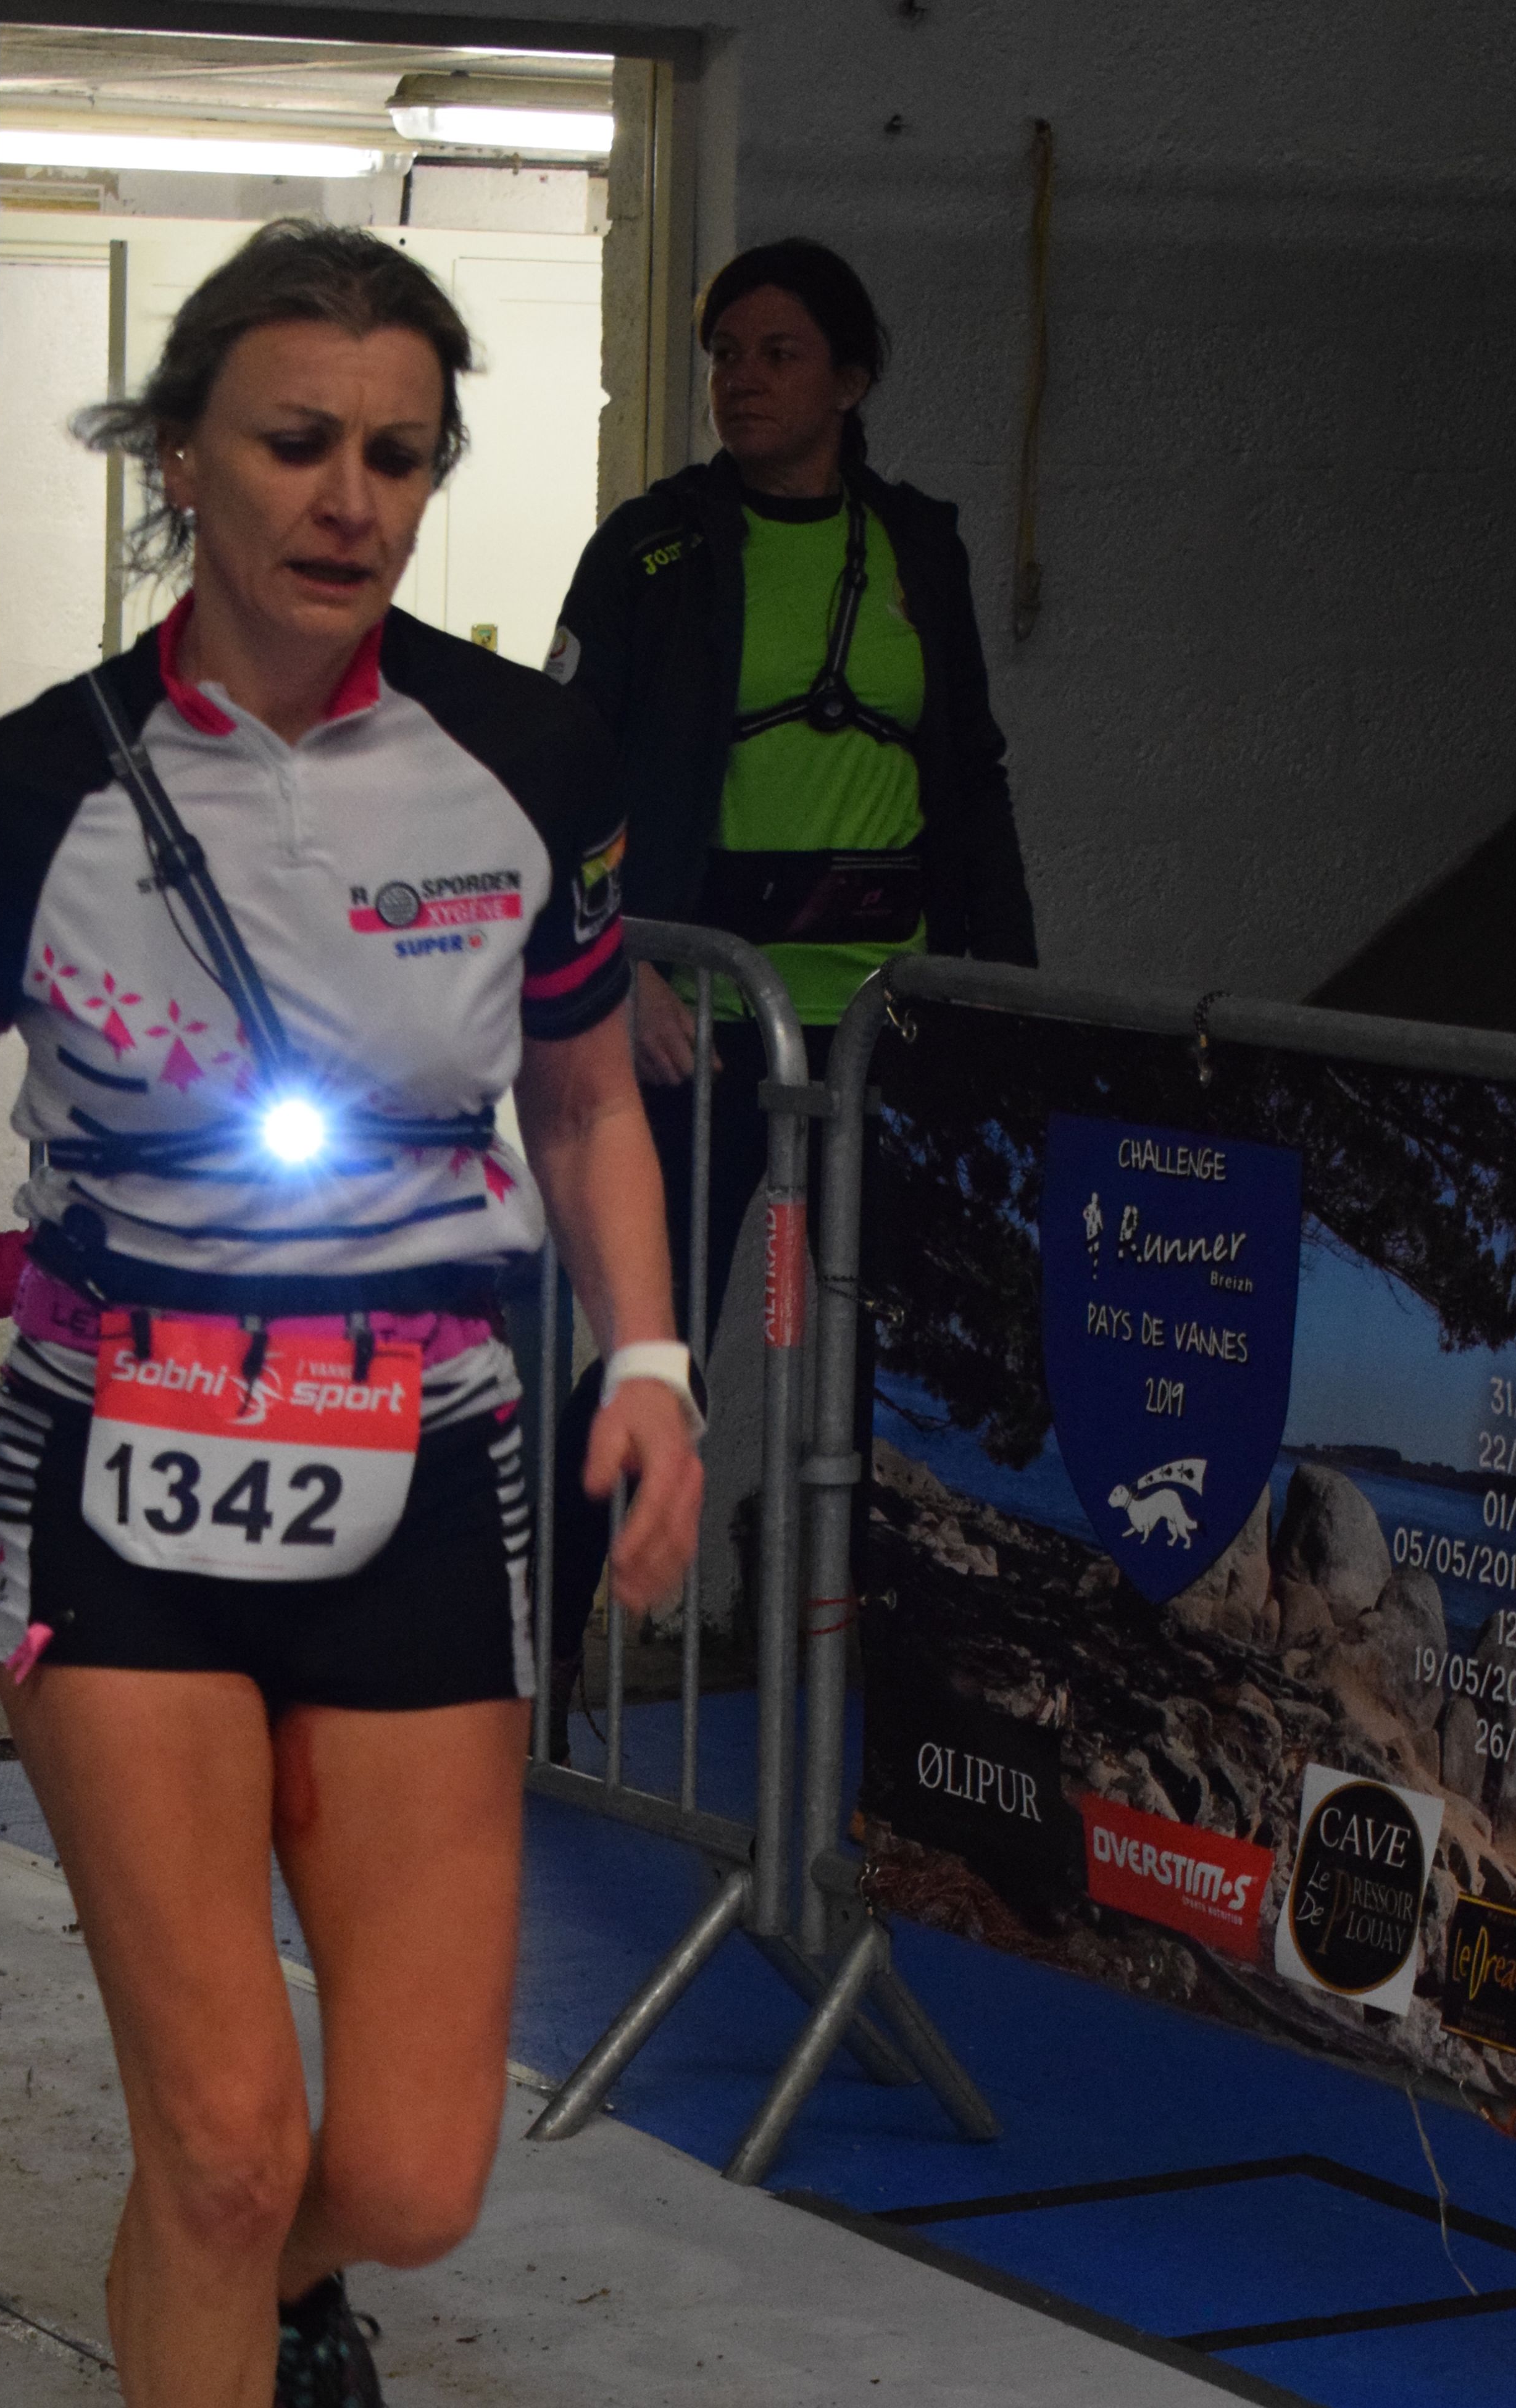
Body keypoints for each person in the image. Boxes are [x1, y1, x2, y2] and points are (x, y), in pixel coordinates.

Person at [0, 222, 701, 2408]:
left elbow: (586, 1099)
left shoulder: (527, 762)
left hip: (429, 1473)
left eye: (398, 454)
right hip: (124, 1474)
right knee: (218, 2128)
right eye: (297, 443)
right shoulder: (29, 791)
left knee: (399, 2171)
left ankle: (304, 2291)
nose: (350, 498)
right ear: (180, 456)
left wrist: (651, 1366)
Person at [542, 235, 1036, 1702]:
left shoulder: (917, 549)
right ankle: (528, 1661)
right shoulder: (653, 549)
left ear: (850, 379)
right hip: (697, 1021)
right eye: (723, 355)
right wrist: (614, 960)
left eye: (776, 354)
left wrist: (1004, 999)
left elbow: (970, 778)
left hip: (881, 1033)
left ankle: (905, 1694)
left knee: (904, 1368)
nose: (739, 381)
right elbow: (561, 769)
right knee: (654, 1349)